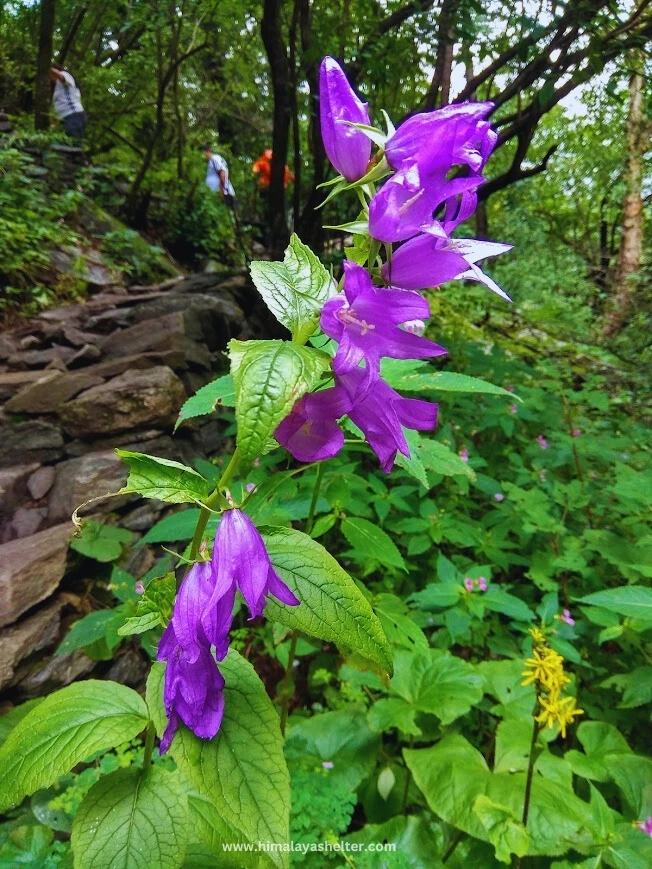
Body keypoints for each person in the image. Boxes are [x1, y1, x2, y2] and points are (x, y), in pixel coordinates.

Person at [49, 64, 86, 145]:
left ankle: (80, 157)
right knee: (65, 144)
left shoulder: (65, 75)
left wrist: (46, 67)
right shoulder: (56, 89)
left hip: (74, 115)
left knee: (73, 143)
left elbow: (60, 76)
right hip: (66, 118)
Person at [201, 144, 236, 209]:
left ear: (208, 151)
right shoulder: (210, 162)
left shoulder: (215, 159)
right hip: (216, 196)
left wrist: (222, 192)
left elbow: (222, 173)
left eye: (203, 153)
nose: (202, 156)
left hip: (223, 194)